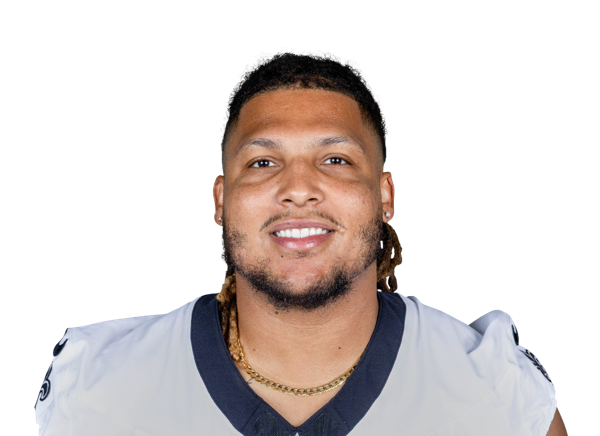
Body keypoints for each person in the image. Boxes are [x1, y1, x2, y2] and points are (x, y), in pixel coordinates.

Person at [35, 52, 567, 435]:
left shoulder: (496, 393)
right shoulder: (96, 388)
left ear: (385, 196)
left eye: (335, 159)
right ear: (220, 200)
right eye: (263, 161)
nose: (297, 188)